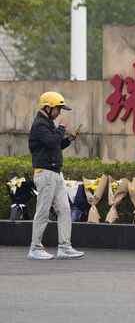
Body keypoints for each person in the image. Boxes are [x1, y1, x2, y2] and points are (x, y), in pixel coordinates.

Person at [28, 91, 84, 260]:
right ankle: (35, 248)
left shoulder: (47, 124)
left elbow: (55, 146)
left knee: (65, 210)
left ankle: (65, 247)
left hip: (55, 173)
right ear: (47, 107)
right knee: (43, 212)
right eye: (58, 108)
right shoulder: (40, 124)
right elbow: (52, 142)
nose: (59, 112)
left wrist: (69, 139)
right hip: (45, 173)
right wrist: (61, 127)